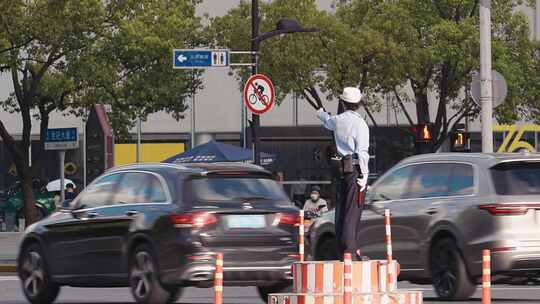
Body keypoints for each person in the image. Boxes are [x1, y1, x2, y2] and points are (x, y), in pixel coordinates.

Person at [316, 87, 370, 260]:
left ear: (343, 102)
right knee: (352, 210)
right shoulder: (360, 124)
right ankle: (350, 250)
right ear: (359, 104)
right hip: (354, 169)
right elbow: (362, 151)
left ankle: (342, 249)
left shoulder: (338, 120)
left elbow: (327, 121)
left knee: (341, 210)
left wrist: (321, 113)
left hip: (339, 169)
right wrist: (365, 174)